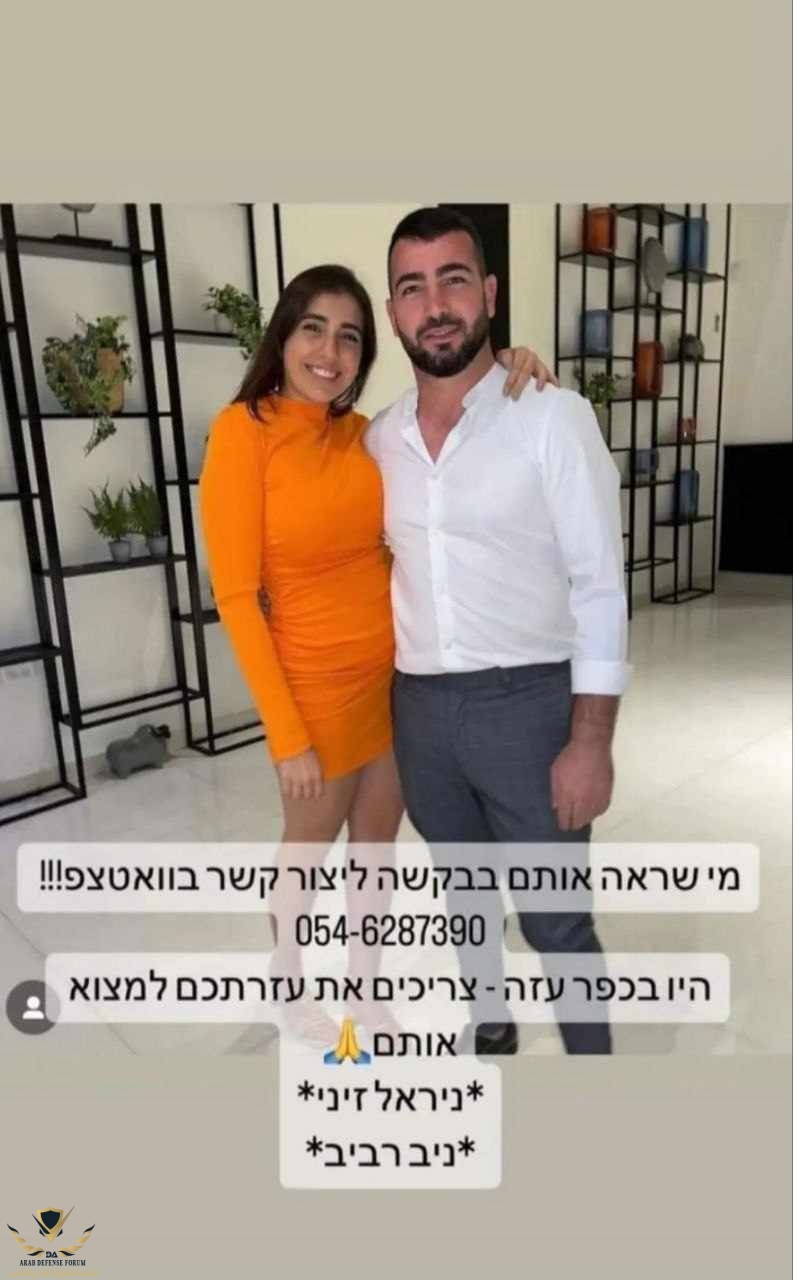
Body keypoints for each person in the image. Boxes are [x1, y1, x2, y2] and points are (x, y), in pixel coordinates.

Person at [198, 259, 555, 1044]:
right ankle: (288, 987)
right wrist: (285, 735)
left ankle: (365, 988)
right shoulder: (242, 432)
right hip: (313, 695)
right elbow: (235, 599)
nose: (329, 352)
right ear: (283, 337)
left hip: (391, 686)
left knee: (374, 850)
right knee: (305, 852)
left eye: (350, 337)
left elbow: (444, 435)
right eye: (313, 330)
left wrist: (506, 364)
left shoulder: (364, 435)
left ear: (366, 352)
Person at [365, 207, 631, 1054]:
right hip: (418, 710)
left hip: (529, 705)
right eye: (412, 288)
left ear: (487, 292)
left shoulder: (550, 417)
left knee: (556, 919)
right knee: (464, 892)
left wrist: (590, 740)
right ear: (394, 311)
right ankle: (490, 1019)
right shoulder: (377, 441)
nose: (434, 305)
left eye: (452, 280)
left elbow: (599, 585)